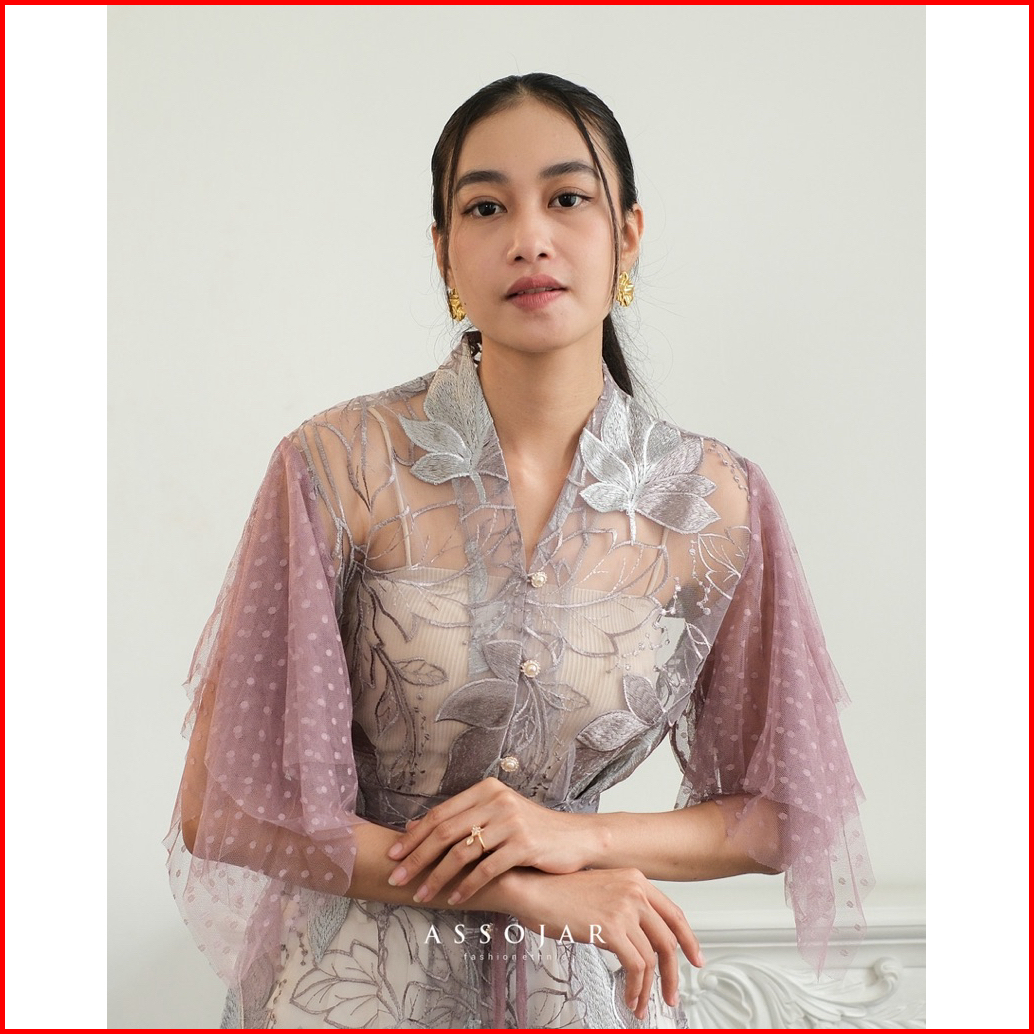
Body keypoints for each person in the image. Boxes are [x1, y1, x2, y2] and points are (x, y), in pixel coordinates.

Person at [166, 72, 873, 1029]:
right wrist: (520, 886)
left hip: (581, 996)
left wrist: (573, 839)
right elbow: (226, 808)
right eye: (486, 207)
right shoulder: (337, 466)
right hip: (344, 998)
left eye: (568, 198)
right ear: (444, 253)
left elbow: (784, 813)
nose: (529, 236)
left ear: (627, 234)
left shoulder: (714, 503)